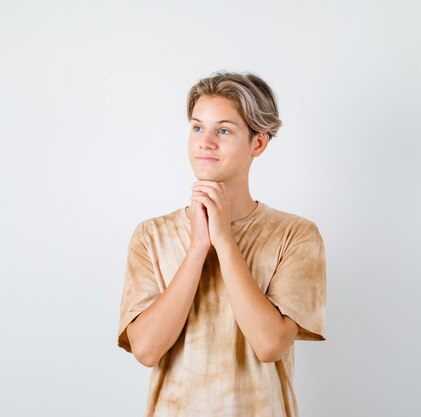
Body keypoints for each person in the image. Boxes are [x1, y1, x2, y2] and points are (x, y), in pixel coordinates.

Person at [116, 71, 327, 417]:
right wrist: (198, 248)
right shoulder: (151, 236)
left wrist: (225, 243)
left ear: (257, 143)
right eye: (197, 127)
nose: (205, 141)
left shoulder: (296, 235)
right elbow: (147, 351)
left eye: (224, 130)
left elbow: (270, 344)